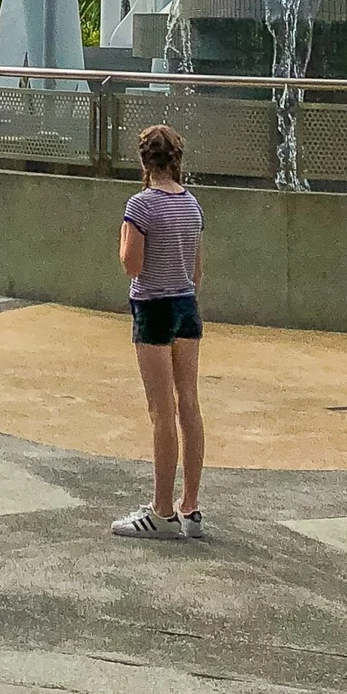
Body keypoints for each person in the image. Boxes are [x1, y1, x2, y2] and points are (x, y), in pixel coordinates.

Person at [110, 121, 206, 541]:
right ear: (177, 159)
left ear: (144, 160)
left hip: (152, 308)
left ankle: (161, 510)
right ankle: (191, 506)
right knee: (189, 404)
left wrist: (122, 237)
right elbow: (197, 270)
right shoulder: (192, 205)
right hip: (187, 306)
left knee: (160, 410)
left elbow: (132, 264)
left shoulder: (140, 207)